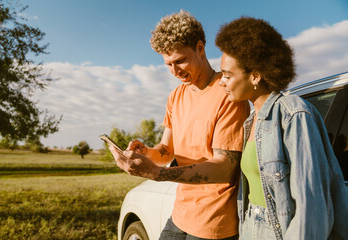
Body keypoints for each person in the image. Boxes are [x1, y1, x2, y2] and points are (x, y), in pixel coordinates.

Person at [110, 10, 250, 240]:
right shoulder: (176, 96)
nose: (174, 71)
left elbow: (225, 167)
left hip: (214, 223)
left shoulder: (228, 93)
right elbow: (166, 152)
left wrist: (157, 173)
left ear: (200, 48)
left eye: (180, 61)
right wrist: (146, 153)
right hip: (181, 214)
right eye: (168, 64)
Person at [215, 16, 348, 240]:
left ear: (255, 76)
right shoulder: (251, 120)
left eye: (227, 76)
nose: (221, 82)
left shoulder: (293, 114)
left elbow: (311, 205)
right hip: (250, 226)